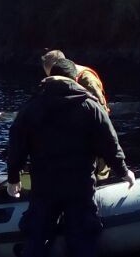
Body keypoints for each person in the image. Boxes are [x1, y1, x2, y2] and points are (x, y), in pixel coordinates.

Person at [6, 58, 135, 257]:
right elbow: (109, 142)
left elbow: (17, 144)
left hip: (45, 183)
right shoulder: (89, 105)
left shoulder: (32, 107)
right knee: (83, 233)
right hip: (79, 182)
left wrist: (13, 177)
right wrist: (123, 171)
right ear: (75, 78)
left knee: (37, 233)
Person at [41, 49, 111, 179]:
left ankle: (101, 181)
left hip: (93, 136)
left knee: (99, 169)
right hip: (73, 139)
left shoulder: (87, 79)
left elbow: (100, 113)